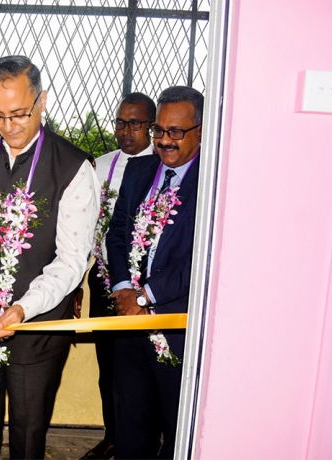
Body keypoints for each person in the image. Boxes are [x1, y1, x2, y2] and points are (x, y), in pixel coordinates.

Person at [0, 55, 99, 459]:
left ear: (42, 101)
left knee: (29, 435)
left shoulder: (73, 166)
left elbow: (72, 259)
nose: (8, 127)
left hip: (37, 328)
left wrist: (24, 309)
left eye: (19, 114)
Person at [105, 86, 204, 459]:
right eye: (159, 130)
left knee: (178, 432)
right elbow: (116, 233)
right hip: (128, 323)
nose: (163, 140)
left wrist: (147, 296)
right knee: (131, 424)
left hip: (175, 325)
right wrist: (124, 288)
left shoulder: (212, 182)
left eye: (175, 132)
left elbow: (202, 258)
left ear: (200, 130)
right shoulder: (139, 170)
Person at [81, 92, 156, 460]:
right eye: (121, 123)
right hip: (104, 280)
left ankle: (145, 440)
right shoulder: (101, 166)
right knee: (108, 365)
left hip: (147, 288)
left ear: (152, 127)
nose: (126, 131)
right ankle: (113, 436)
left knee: (145, 366)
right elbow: (87, 226)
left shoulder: (161, 165)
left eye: (136, 123)